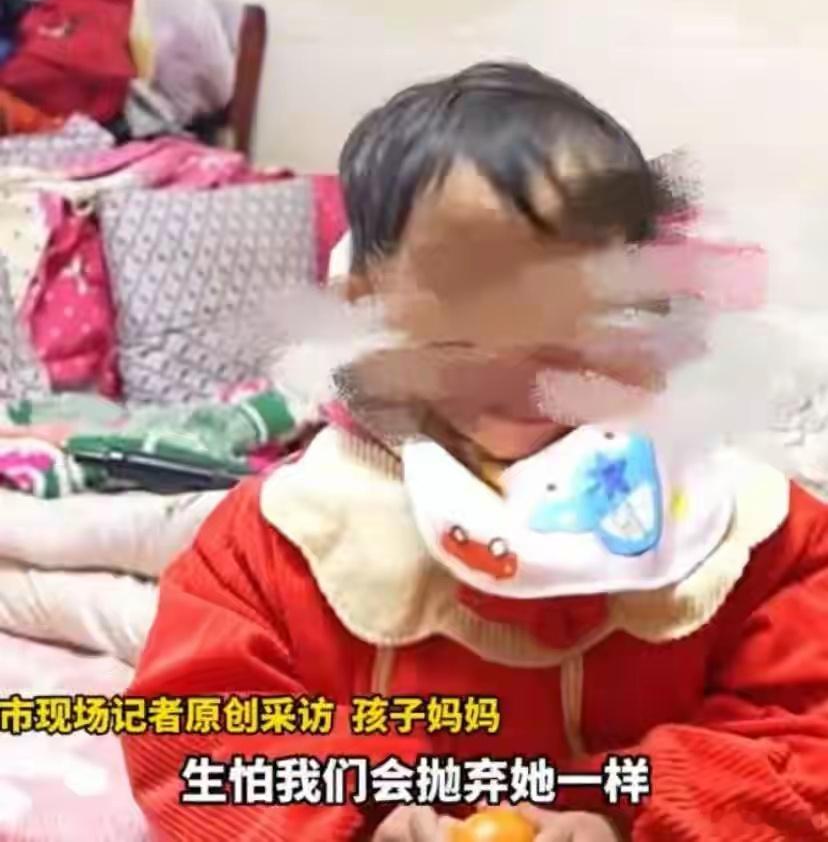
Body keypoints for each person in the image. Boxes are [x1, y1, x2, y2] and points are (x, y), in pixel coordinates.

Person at [123, 62, 828, 841]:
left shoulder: (759, 537)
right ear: (366, 298)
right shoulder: (277, 539)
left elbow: (806, 731)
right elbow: (195, 740)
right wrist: (363, 817)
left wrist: (623, 812)